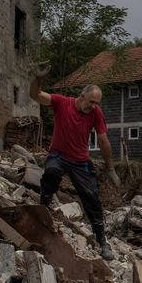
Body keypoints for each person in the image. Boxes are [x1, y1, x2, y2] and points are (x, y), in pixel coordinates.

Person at [29, 62, 121, 260]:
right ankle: (45, 207)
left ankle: (102, 242)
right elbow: (36, 96)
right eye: (91, 102)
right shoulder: (62, 103)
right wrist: (38, 78)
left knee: (91, 197)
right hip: (59, 155)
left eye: (97, 103)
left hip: (80, 160)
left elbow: (104, 141)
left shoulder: (96, 113)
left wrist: (111, 168)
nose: (93, 106)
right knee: (52, 172)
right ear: (82, 97)